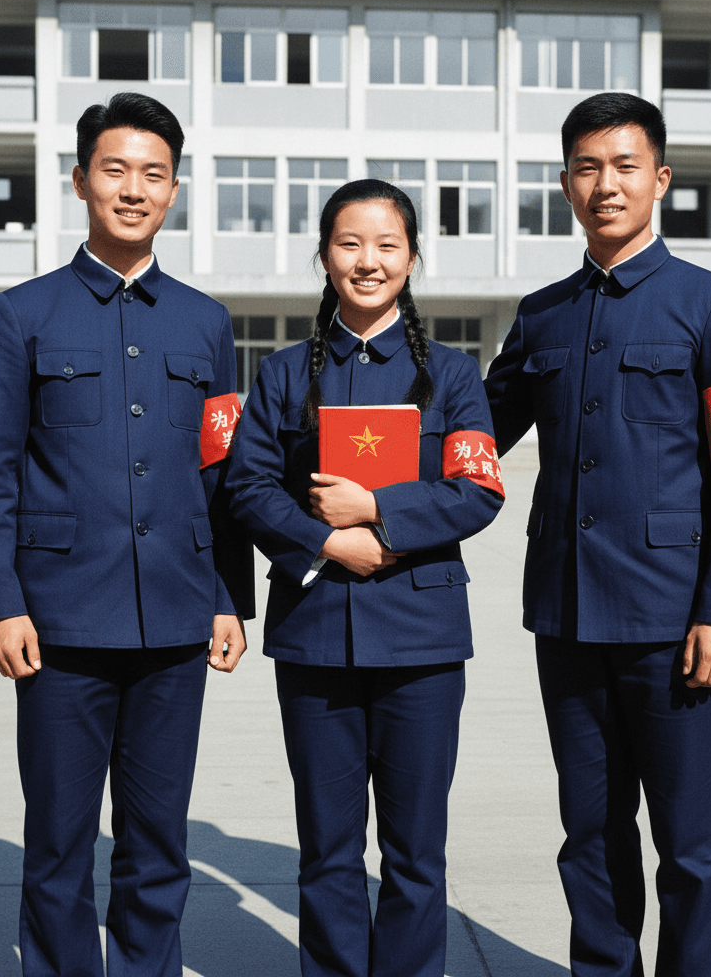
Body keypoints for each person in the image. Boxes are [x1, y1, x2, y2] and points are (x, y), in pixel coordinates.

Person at [0, 92, 254, 977]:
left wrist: (229, 598)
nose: (134, 189)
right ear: (81, 178)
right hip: (58, 621)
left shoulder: (205, 322)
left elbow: (223, 474)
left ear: (175, 190)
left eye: (153, 174)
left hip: (174, 615)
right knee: (56, 839)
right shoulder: (23, 315)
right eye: (115, 169)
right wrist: (0, 603)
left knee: (160, 838)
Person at [485, 92, 711, 977]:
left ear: (660, 178)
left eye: (623, 166)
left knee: (690, 847)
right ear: (566, 183)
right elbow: (473, 436)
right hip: (568, 620)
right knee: (590, 834)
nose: (604, 185)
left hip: (672, 624)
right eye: (586, 168)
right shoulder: (542, 314)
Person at [227, 178, 503, 977]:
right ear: (323, 258)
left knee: (417, 852)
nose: (368, 261)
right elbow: (246, 487)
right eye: (350, 244)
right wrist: (325, 542)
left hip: (421, 642)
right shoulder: (281, 376)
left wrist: (375, 509)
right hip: (316, 638)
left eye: (387, 245)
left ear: (413, 259)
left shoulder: (452, 376)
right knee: (328, 849)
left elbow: (478, 487)